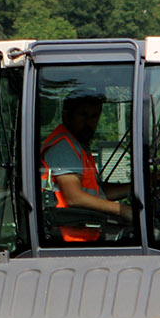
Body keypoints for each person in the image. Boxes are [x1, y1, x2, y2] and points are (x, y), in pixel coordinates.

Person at [40, 92, 131, 242]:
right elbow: (74, 197)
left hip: (83, 234)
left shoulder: (77, 145)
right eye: (82, 115)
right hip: (68, 238)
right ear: (66, 116)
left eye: (94, 116)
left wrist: (138, 187)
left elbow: (98, 194)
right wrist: (122, 210)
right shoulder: (64, 147)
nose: (88, 122)